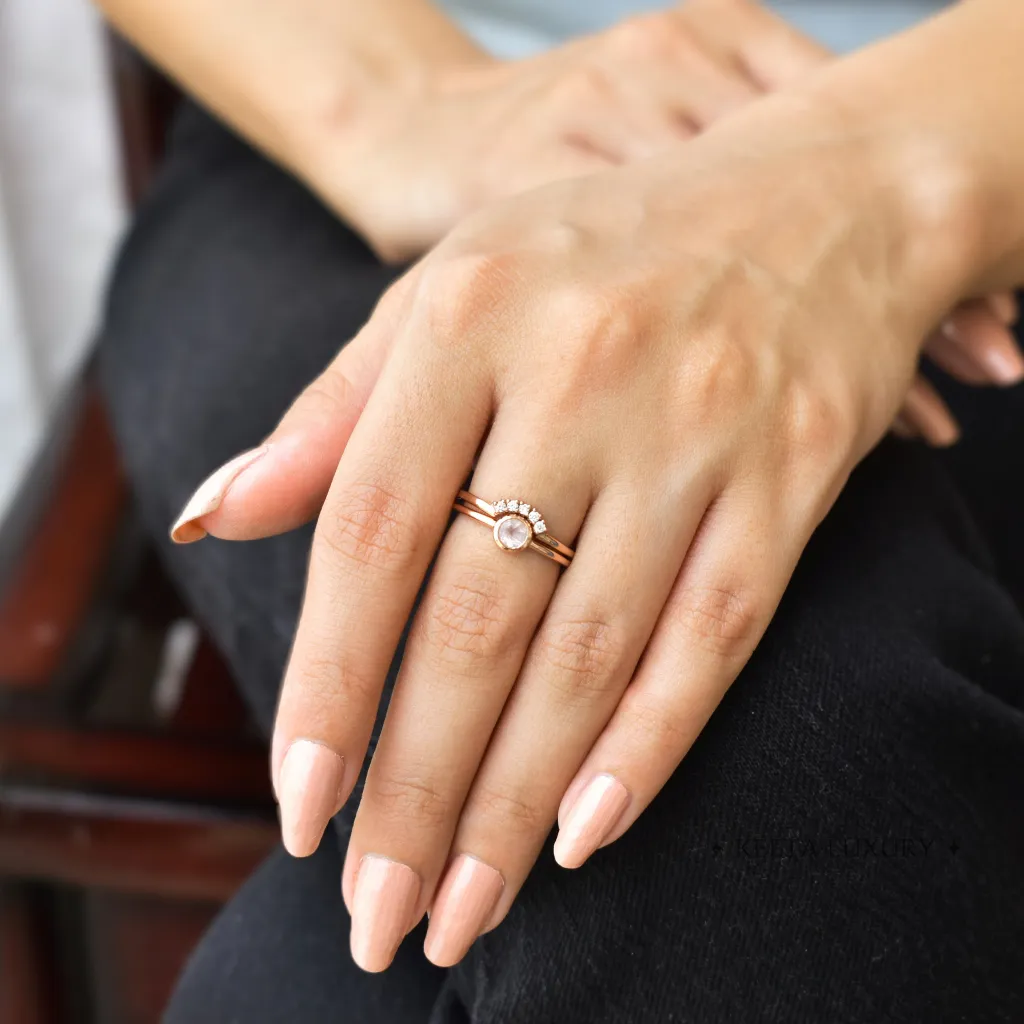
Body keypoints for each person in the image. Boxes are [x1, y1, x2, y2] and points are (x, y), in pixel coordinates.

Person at [96, 0, 1024, 1020]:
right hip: (352, 107)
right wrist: (403, 100)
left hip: (979, 142)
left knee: (299, 985)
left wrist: (883, 176)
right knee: (757, 750)